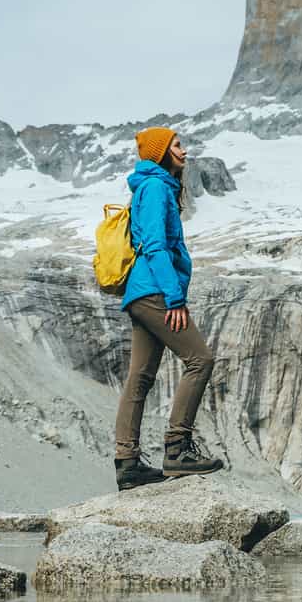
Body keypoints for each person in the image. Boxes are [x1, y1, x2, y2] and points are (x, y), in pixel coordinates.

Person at [112, 126, 224, 489]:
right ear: (161, 151)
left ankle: (127, 463)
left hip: (141, 293)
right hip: (156, 293)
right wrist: (175, 298)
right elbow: (156, 247)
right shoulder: (158, 187)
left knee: (139, 378)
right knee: (200, 360)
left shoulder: (151, 186)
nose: (185, 151)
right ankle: (178, 447)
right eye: (177, 145)